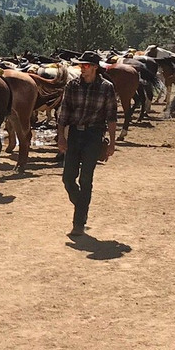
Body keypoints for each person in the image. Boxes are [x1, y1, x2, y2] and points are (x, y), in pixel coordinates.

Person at [56, 50, 118, 237]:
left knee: (86, 179)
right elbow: (63, 114)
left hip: (94, 134)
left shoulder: (107, 88)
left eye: (86, 66)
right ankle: (82, 206)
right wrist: (61, 137)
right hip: (75, 133)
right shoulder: (72, 86)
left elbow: (112, 117)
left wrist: (112, 143)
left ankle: (78, 222)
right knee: (68, 178)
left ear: (95, 68)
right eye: (81, 66)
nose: (82, 69)